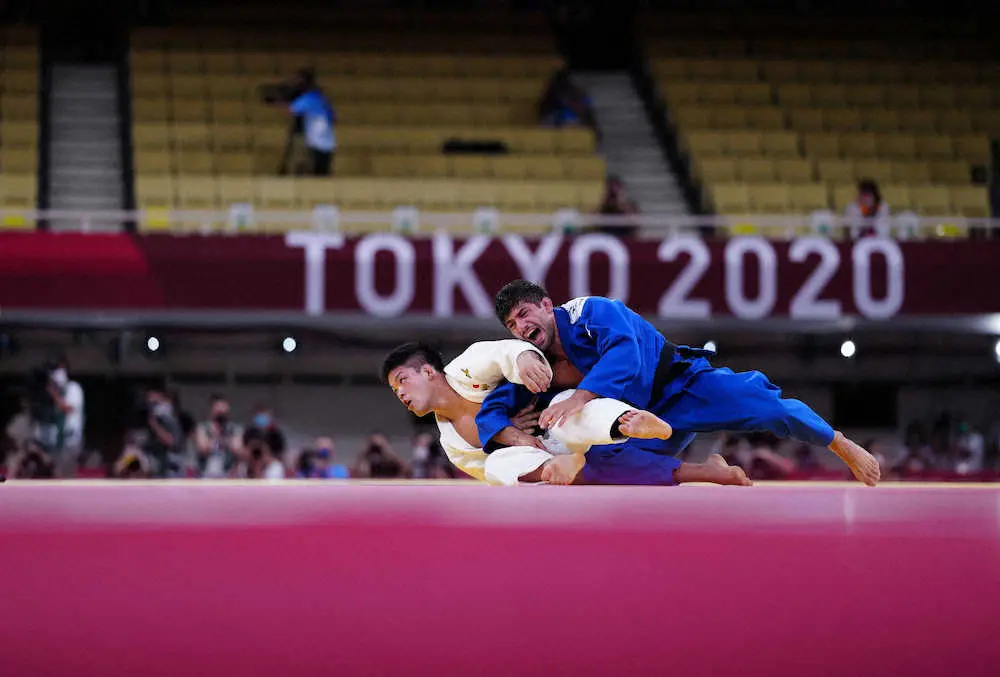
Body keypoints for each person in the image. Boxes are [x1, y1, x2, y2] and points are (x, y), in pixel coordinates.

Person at [484, 280, 880, 486]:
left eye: (525, 314)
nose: (522, 327)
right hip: (641, 424)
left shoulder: (591, 311)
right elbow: (492, 408)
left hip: (682, 386)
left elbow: (626, 353)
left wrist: (582, 396)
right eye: (512, 325)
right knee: (594, 466)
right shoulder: (530, 363)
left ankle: (836, 440)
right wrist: (518, 438)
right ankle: (704, 469)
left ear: (547, 306)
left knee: (763, 404)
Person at [381, 341, 750, 486]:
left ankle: (629, 422)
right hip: (548, 455)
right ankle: (710, 471)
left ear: (428, 371)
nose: (399, 393)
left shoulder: (466, 366)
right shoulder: (452, 444)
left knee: (570, 409)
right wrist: (523, 452)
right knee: (496, 468)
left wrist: (525, 359)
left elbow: (505, 353)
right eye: (394, 391)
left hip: (553, 411)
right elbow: (498, 474)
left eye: (402, 380)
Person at [276, 68, 336, 176]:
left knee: (307, 159)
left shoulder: (315, 96)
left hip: (310, 133)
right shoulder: (298, 94)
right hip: (300, 130)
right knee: (299, 158)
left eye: (299, 79)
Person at [194, 395, 244, 478]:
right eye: (219, 412)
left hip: (227, 472)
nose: (221, 416)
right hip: (207, 472)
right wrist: (215, 434)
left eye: (223, 413)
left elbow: (237, 449)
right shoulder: (203, 428)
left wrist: (226, 435)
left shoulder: (234, 429)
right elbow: (202, 449)